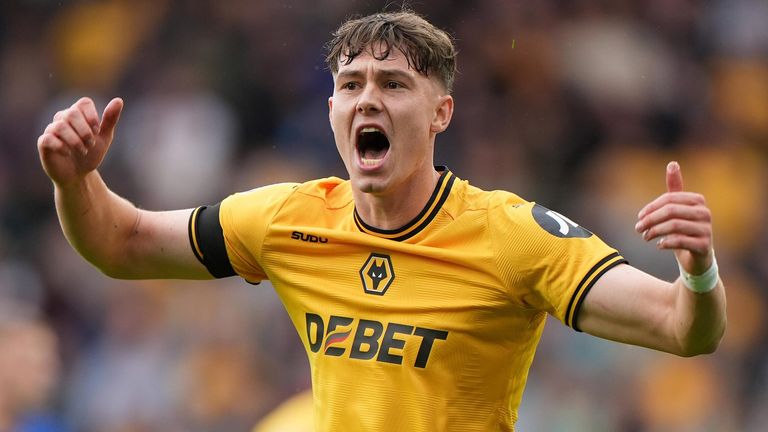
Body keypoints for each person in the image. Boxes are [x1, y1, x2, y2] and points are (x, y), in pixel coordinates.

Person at [36, 9, 726, 431]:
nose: (367, 99)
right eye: (350, 85)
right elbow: (119, 243)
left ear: (440, 113)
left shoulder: (512, 234)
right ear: (332, 110)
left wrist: (698, 269)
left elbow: (682, 328)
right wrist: (76, 181)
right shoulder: (287, 219)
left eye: (394, 84)